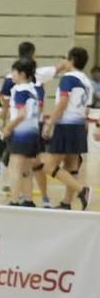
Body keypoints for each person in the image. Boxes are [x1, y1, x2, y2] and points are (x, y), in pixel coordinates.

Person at [40, 46, 92, 209]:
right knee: (71, 166)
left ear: (71, 60)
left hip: (66, 126)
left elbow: (63, 103)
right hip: (79, 126)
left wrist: (50, 122)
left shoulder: (68, 78)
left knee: (49, 166)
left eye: (65, 58)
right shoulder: (86, 81)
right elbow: (86, 108)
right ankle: (66, 202)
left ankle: (82, 190)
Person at [4, 58, 43, 208]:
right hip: (33, 132)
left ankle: (14, 200)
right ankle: (28, 200)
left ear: (21, 74)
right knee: (26, 169)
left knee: (15, 167)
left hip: (21, 134)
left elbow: (21, 114)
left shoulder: (20, 90)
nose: (11, 75)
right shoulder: (33, 90)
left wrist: (8, 127)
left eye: (14, 72)